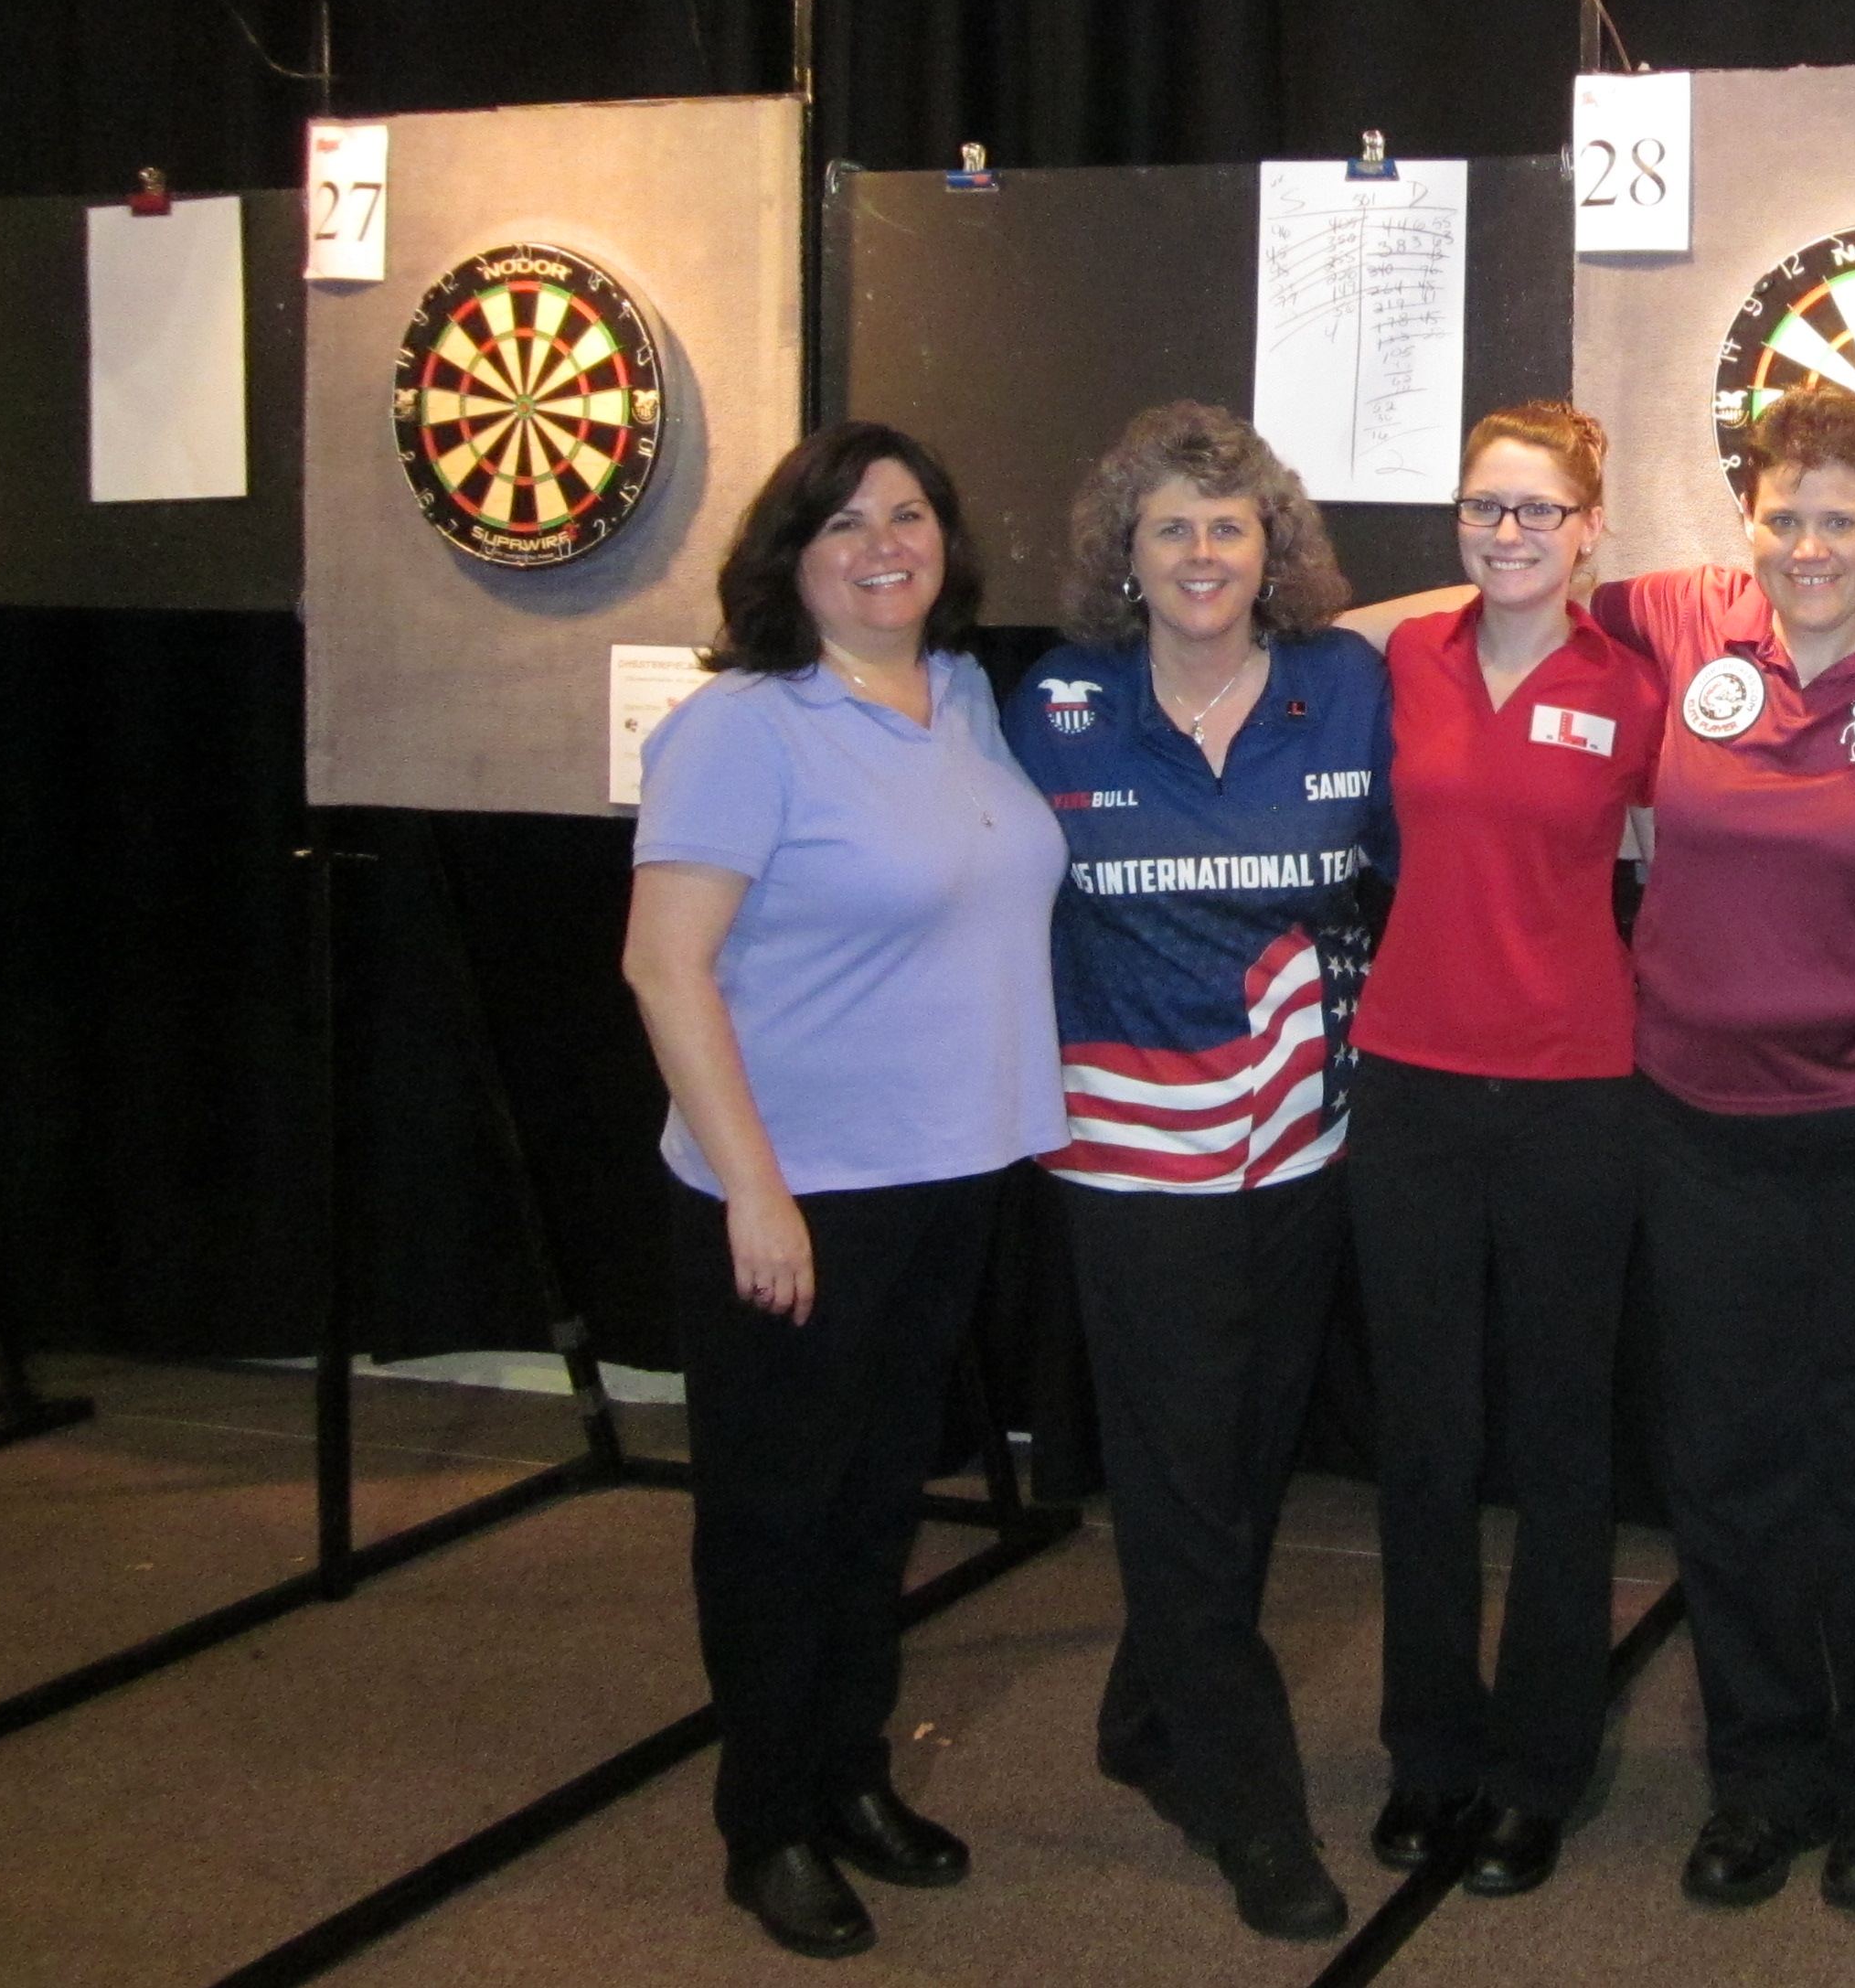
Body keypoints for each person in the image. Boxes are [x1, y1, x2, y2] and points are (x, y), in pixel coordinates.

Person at [620, 422, 1068, 1961]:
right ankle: (767, 1824)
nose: (886, 545)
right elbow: (663, 968)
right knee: (775, 1519)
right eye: (845, 525)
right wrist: (755, 1194)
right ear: (790, 558)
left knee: (877, 1506)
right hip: (796, 1195)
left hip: (946, 1178)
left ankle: (850, 1773)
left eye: (910, 514)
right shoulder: (744, 727)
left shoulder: (962, 696)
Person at [1594, 381, 1855, 1914]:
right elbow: (1510, 592)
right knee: (1731, 1461)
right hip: (1702, 1126)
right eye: (1784, 517)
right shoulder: (1685, 615)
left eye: (1840, 518)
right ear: (1745, 519)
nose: (1808, 546)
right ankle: (1760, 1775)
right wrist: (1311, 630)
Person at [1007, 401, 1393, 1943]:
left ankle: (1144, 1712)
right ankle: (1255, 1809)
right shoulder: (1056, 704)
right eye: (1169, 527)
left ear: (1272, 549)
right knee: (1177, 1480)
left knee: (1241, 1468)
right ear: (1127, 553)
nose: (1201, 553)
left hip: (1300, 1151)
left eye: (1229, 526)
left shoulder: (1342, 684)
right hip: (1128, 1166)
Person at [1330, 400, 1662, 1900]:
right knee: (1425, 1438)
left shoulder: (1636, 688)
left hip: (1578, 1094)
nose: (1507, 532)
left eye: (1538, 511)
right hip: (1409, 1084)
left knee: (1561, 1441)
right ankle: (1429, 1751)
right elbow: (1324, 623)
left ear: (1591, 529)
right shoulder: (1407, 657)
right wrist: (1472, 587)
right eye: (1485, 507)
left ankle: (1539, 1767)